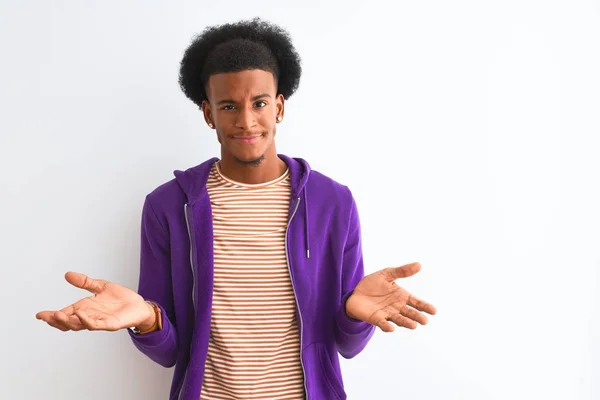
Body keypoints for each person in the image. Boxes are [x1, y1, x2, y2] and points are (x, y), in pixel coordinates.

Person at [35, 17, 437, 400]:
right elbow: (169, 351)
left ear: (278, 107)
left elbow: (346, 345)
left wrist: (354, 313)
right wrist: (147, 319)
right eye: (228, 106)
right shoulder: (168, 206)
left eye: (259, 102)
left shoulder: (333, 202)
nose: (246, 120)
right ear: (209, 113)